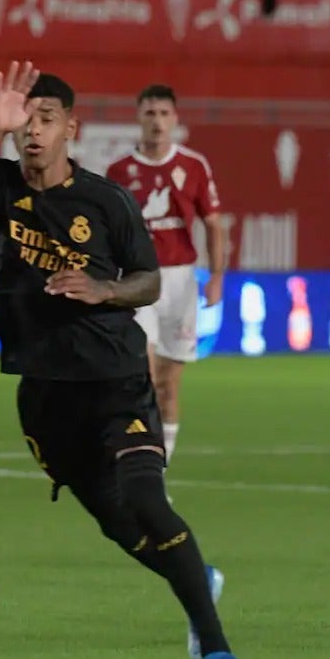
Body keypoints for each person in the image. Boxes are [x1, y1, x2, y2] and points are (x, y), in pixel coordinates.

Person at [0, 62, 244, 659]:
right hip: (44, 395)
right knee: (117, 525)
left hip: (117, 380)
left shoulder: (106, 200)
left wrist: (103, 289)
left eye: (47, 120)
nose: (33, 132)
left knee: (148, 502)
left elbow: (148, 280)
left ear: (72, 128)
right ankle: (196, 577)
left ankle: (217, 652)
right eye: (26, 122)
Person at [105, 85, 227, 466]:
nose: (156, 121)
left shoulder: (193, 166)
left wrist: (217, 276)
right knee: (143, 372)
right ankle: (135, 458)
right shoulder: (119, 171)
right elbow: (107, 229)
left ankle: (158, 468)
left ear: (175, 119)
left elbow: (214, 223)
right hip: (139, 280)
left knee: (168, 384)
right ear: (138, 118)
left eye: (163, 114)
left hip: (181, 282)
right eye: (149, 113)